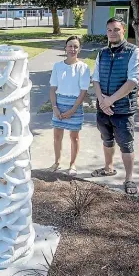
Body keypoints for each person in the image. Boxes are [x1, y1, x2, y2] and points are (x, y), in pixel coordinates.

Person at [92, 17, 139, 194]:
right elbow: (96, 79)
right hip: (103, 108)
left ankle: (129, 178)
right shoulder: (102, 53)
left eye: (116, 29)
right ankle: (108, 168)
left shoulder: (134, 52)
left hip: (123, 109)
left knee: (126, 145)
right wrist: (101, 101)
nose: (112, 33)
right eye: (109, 30)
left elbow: (132, 81)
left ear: (123, 30)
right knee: (107, 140)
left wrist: (110, 100)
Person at [48, 36, 91, 176]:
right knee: (57, 136)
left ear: (79, 49)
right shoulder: (57, 66)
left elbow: (83, 91)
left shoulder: (83, 67)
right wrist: (55, 107)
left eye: (75, 46)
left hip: (75, 105)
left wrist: (73, 110)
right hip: (59, 104)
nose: (72, 49)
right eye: (70, 46)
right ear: (65, 48)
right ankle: (57, 162)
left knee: (74, 137)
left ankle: (72, 164)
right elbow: (53, 88)